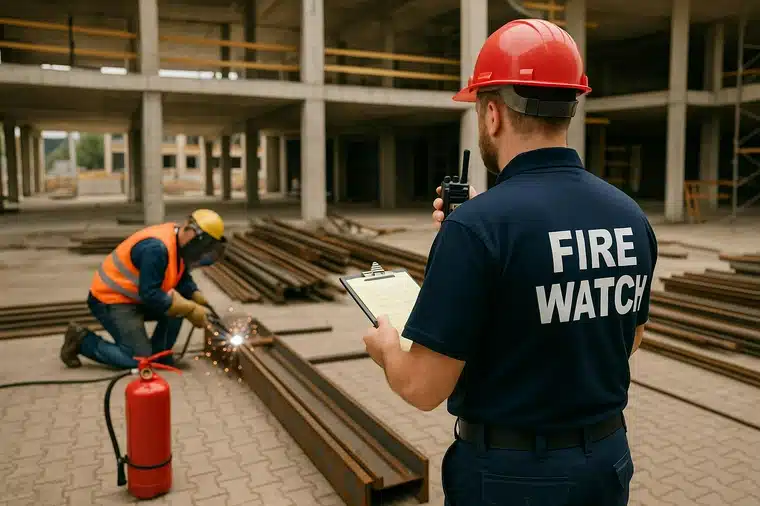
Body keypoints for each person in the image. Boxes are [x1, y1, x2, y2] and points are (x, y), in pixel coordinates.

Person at [361, 19, 657, 506]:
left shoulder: (477, 229)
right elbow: (628, 337)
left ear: (493, 113)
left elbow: (421, 389)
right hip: (606, 464)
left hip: (510, 479)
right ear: (569, 109)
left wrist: (386, 347)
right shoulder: (630, 216)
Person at [60, 209, 228, 369]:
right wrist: (190, 308)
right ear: (192, 233)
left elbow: (180, 274)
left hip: (135, 298)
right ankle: (81, 340)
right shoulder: (156, 248)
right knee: (138, 359)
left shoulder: (179, 243)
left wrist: (194, 294)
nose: (201, 254)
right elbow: (151, 295)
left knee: (180, 309)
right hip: (111, 300)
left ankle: (160, 355)